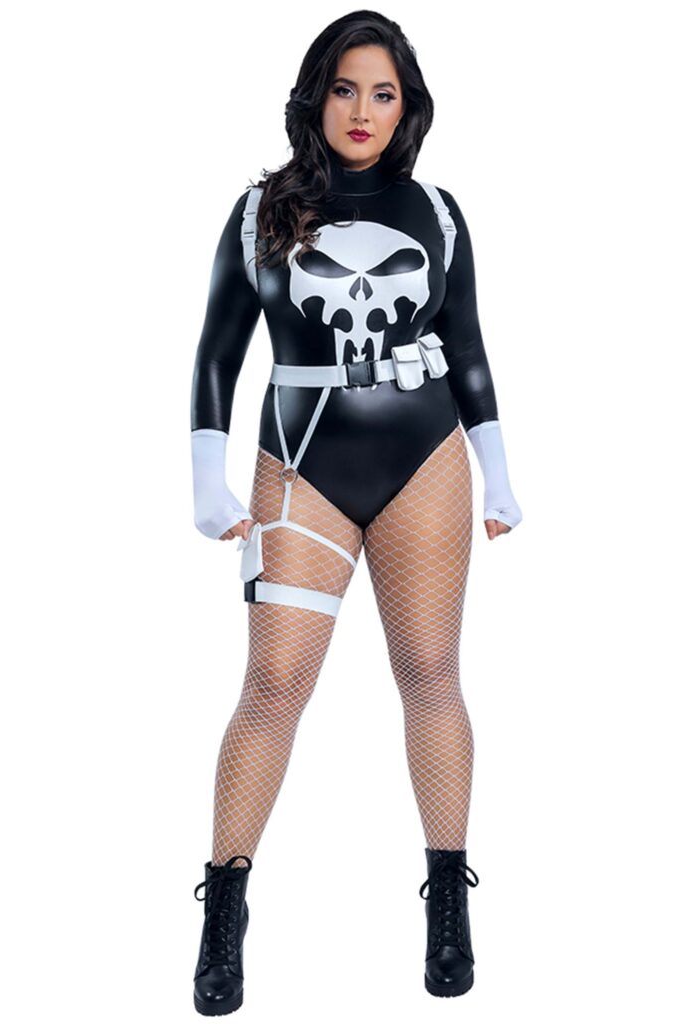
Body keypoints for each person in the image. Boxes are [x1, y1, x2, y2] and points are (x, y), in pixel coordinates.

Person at [189, 10, 522, 1014]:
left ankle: (448, 906)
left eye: (383, 92)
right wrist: (206, 475)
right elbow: (217, 352)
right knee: (271, 686)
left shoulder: (440, 212)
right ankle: (222, 916)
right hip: (300, 469)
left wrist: (498, 471)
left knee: (431, 674)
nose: (363, 110)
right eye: (345, 88)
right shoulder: (261, 211)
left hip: (425, 459)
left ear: (407, 106)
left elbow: (467, 347)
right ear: (316, 97)